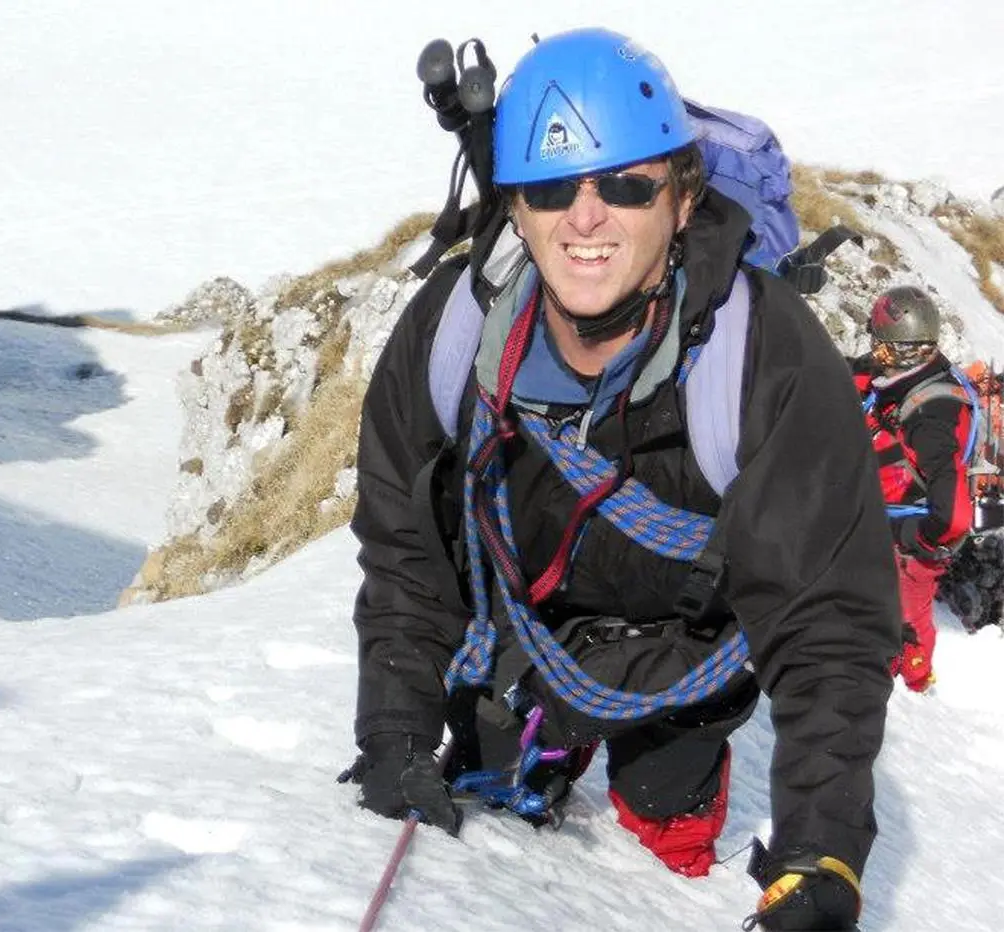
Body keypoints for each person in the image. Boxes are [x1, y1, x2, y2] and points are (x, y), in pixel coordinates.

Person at [345, 28, 900, 931]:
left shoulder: (764, 355)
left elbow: (827, 615)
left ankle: (668, 797)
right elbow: (407, 542)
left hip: (684, 646)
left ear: (683, 201)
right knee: (484, 756)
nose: (587, 217)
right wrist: (395, 727)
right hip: (523, 622)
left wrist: (819, 851)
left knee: (664, 809)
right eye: (553, 187)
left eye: (627, 184)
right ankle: (549, 740)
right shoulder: (454, 333)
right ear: (517, 210)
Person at [851, 286, 975, 692]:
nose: (877, 354)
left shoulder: (929, 418)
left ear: (902, 351)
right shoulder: (912, 374)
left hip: (912, 540)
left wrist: (916, 541)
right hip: (885, 517)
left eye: (883, 348)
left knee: (908, 617)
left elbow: (955, 514)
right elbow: (865, 373)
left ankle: (918, 679)